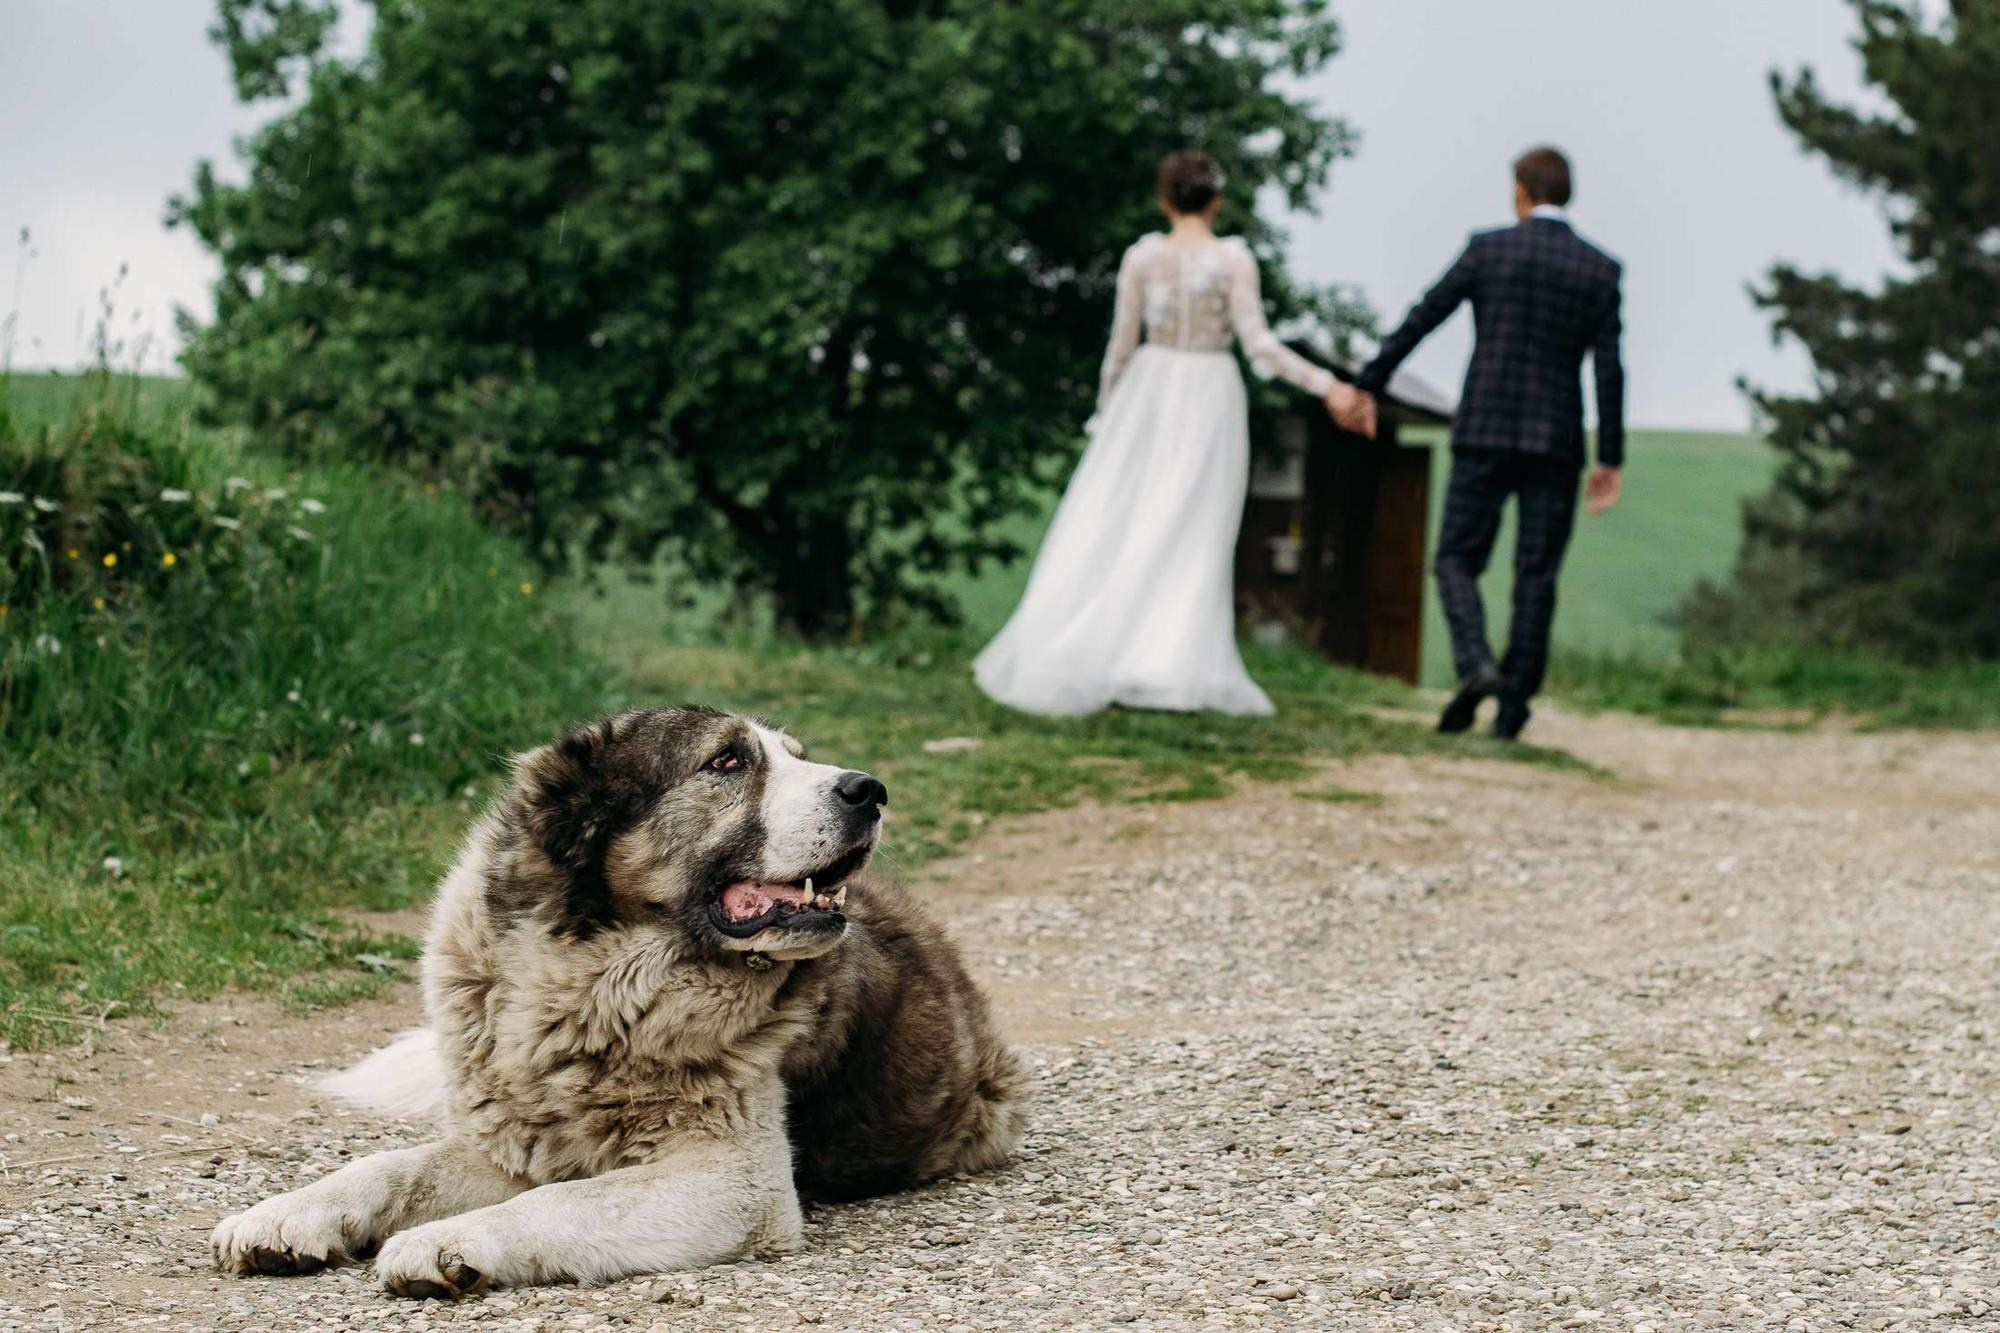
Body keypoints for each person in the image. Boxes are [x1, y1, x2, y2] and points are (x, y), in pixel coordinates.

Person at [973, 151, 1372, 717]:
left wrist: (1107, 416)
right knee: (1195, 527)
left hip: (1148, 391)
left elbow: (1120, 346)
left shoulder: (1143, 258)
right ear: (1215, 201)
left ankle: (1119, 656)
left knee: (1129, 518)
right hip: (1210, 391)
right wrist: (1328, 384)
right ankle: (1170, 667)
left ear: (1164, 199)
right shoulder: (1233, 258)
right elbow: (1259, 345)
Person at [1346, 146, 1625, 741]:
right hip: (1555, 439)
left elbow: (1424, 317)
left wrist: (1366, 383)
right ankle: (1513, 708)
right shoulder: (1599, 270)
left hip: (1485, 430)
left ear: (1522, 191)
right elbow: (1609, 369)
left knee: (1454, 558)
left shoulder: (1488, 251)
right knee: (1536, 573)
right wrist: (1610, 457)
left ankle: (1475, 665)